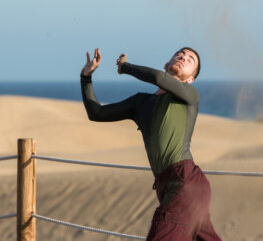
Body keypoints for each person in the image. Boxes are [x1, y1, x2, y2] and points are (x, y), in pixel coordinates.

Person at [80, 48, 221, 240]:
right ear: (166, 64)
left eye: (190, 60)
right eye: (179, 55)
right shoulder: (141, 103)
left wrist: (124, 67)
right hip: (169, 187)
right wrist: (86, 78)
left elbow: (158, 78)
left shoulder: (189, 96)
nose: (183, 58)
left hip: (185, 182)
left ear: (190, 80)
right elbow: (96, 113)